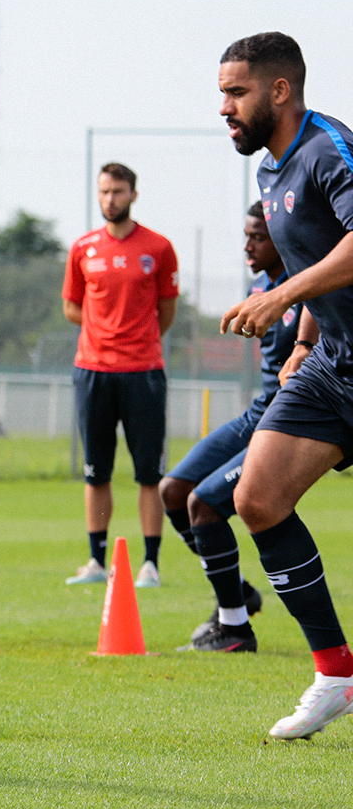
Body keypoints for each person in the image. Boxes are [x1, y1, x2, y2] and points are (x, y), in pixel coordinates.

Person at [217, 32, 353, 738]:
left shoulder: (330, 149)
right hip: (334, 363)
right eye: (222, 94)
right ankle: (336, 674)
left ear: (280, 90)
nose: (225, 108)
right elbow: (319, 264)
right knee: (257, 498)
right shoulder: (271, 172)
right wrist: (303, 340)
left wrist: (280, 298)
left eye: (236, 93)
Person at [156, 201, 292, 649]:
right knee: (173, 491)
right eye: (246, 236)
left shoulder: (306, 284)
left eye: (259, 237)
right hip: (260, 412)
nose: (248, 246)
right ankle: (237, 594)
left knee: (204, 504)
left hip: (290, 421)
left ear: (283, 237)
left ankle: (234, 629)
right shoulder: (259, 285)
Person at [61, 163, 179, 588]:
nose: (110, 199)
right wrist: (103, 331)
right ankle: (96, 561)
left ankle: (150, 564)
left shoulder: (158, 248)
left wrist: (136, 338)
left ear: (133, 194)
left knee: (149, 472)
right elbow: (71, 306)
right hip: (92, 371)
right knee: (96, 471)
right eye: (104, 191)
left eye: (118, 191)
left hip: (143, 372)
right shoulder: (83, 248)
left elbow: (166, 309)